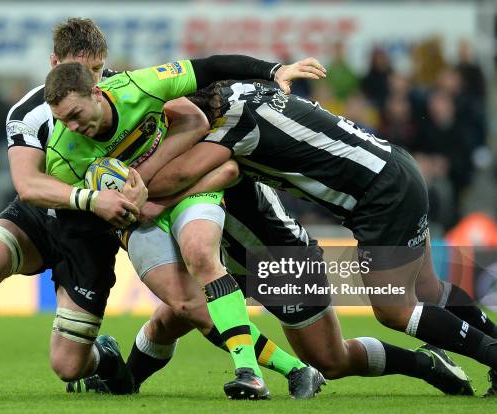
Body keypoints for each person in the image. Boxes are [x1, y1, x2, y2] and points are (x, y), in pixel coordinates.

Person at [142, 78, 497, 396]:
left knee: (394, 310)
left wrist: (134, 188)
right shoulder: (245, 91)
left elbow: (187, 174)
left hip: (378, 195)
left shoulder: (229, 130)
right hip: (395, 167)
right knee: (430, 291)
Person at [0, 18, 207, 396]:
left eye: (96, 70)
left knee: (68, 366)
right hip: (42, 213)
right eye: (78, 70)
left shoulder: (131, 88)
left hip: (91, 233)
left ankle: (104, 357)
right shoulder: (29, 113)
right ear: (55, 63)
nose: (91, 82)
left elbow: (192, 117)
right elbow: (27, 185)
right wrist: (91, 197)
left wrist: (146, 185)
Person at [44, 57, 326, 399]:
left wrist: (273, 71)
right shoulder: (62, 152)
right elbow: (69, 211)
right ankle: (296, 369)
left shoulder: (140, 88)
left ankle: (249, 374)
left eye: (75, 115)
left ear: (96, 92)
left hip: (189, 194)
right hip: (135, 221)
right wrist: (111, 210)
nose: (71, 127)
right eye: (62, 120)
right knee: (185, 305)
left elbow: (210, 68)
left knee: (201, 254)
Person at [90, 175, 470, 396]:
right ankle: (124, 383)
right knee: (173, 315)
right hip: (234, 260)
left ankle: (425, 362)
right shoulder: (187, 148)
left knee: (331, 360)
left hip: (280, 258)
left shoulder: (214, 152)